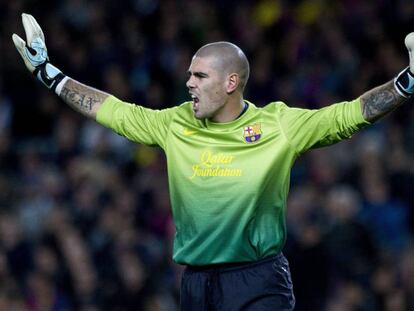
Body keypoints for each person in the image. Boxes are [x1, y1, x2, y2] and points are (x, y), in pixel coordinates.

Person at [12, 13, 414, 311]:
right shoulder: (173, 124)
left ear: (231, 83)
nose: (189, 83)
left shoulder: (279, 125)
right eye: (190, 74)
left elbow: (350, 114)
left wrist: (406, 82)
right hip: (195, 285)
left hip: (258, 281)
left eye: (200, 76)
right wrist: (50, 74)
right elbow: (110, 109)